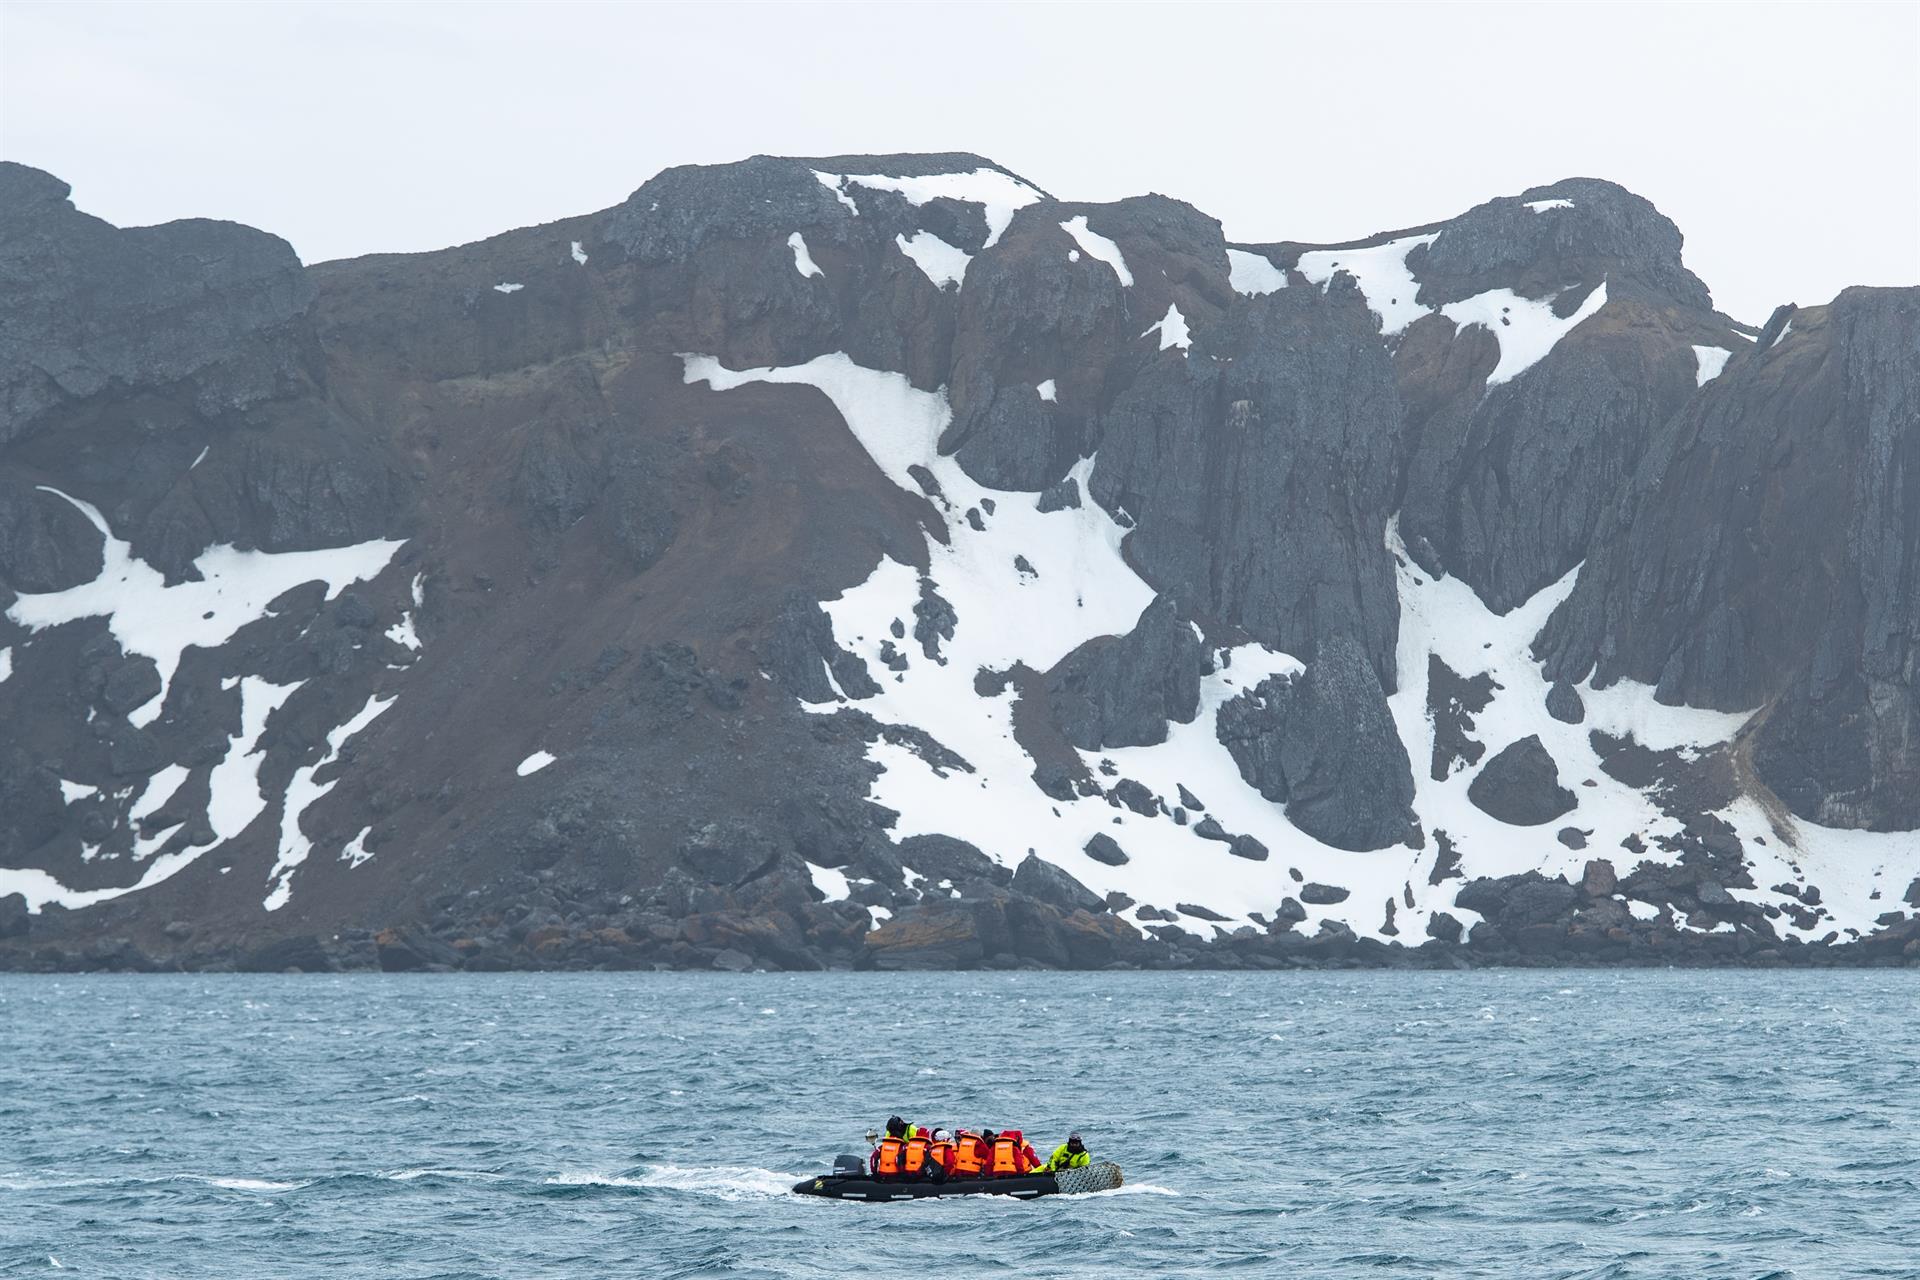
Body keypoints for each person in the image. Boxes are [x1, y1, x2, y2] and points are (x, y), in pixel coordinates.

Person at [870, 1115, 914, 1179]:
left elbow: (873, 1158)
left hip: (882, 1175)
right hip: (896, 1175)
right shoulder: (903, 1147)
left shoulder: (881, 1147)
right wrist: (903, 1174)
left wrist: (874, 1173)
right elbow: (898, 1160)